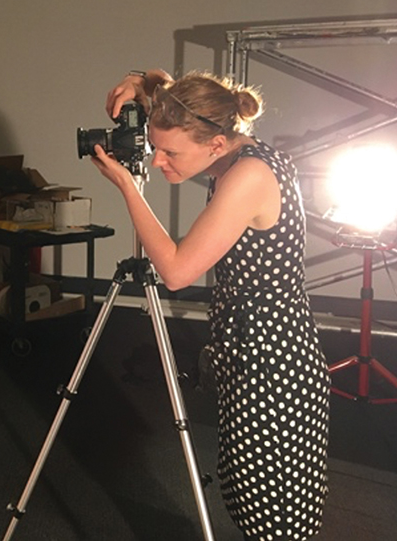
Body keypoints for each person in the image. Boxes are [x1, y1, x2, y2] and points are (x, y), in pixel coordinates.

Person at [92, 69, 330, 540]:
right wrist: (144, 83)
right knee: (245, 494)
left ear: (216, 145)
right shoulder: (229, 141)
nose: (158, 160)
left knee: (276, 515)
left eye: (170, 152)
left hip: (274, 363)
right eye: (156, 148)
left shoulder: (251, 175)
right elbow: (191, 106)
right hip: (249, 348)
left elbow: (177, 272)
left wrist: (129, 189)